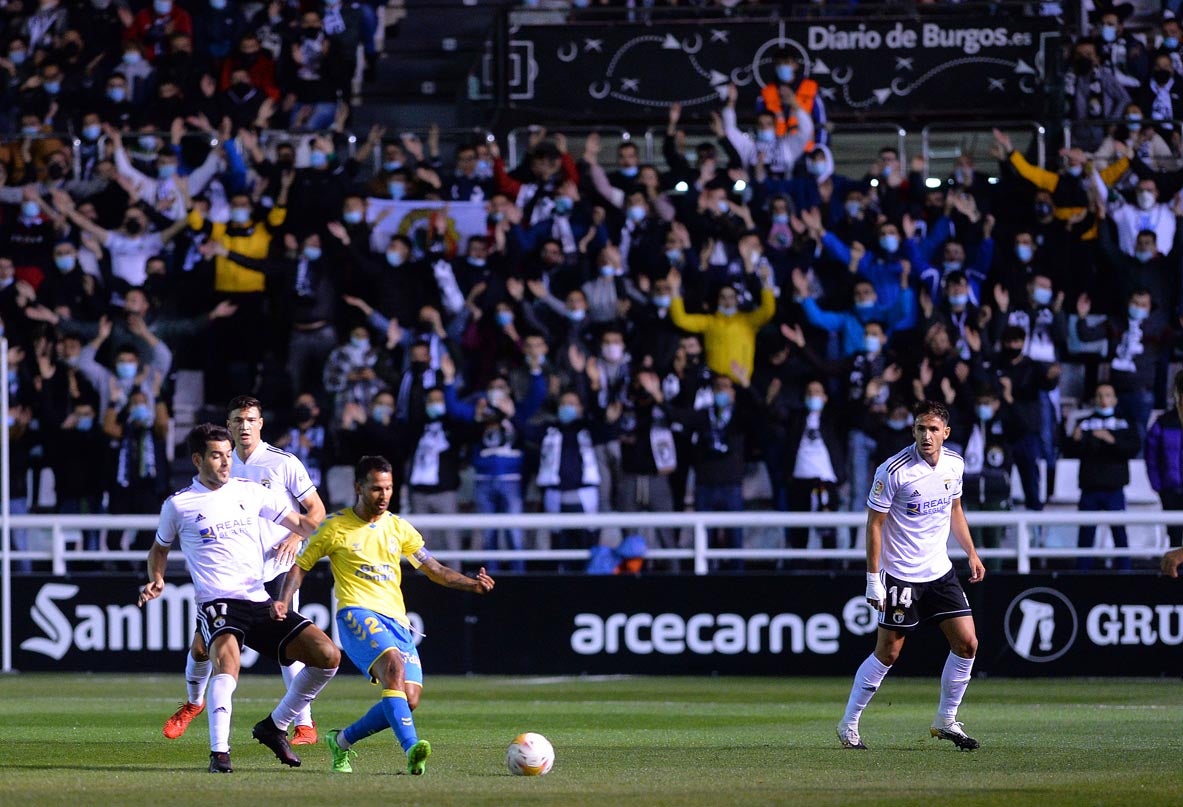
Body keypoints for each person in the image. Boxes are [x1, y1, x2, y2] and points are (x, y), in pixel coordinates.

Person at [138, 424, 341, 774]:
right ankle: (220, 754)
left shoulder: (251, 492)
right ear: (198, 459)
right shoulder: (179, 505)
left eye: (228, 455)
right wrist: (156, 578)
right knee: (226, 662)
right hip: (217, 601)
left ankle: (275, 726)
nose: (225, 463)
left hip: (258, 598)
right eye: (216, 456)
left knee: (327, 656)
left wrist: (323, 529)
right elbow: (159, 549)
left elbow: (302, 524)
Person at [278, 456, 495, 775]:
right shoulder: (335, 527)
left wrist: (472, 585)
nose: (383, 495)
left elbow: (434, 569)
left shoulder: (398, 528)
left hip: (397, 622)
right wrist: (284, 602)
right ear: (358, 488)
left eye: (389, 488)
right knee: (393, 665)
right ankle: (412, 749)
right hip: (356, 612)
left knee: (408, 699)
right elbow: (300, 566)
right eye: (376, 488)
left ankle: (341, 741)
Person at [162, 396, 326, 746]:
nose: (244, 426)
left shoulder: (283, 463)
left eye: (251, 419)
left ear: (261, 423)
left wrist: (297, 536)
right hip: (231, 572)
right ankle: (193, 703)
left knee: (290, 643)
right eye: (238, 420)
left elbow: (315, 511)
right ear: (229, 424)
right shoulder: (221, 461)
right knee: (202, 648)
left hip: (278, 566)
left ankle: (303, 723)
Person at [837, 400, 985, 752]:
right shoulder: (893, 471)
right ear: (913, 431)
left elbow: (955, 509)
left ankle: (946, 719)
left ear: (945, 433)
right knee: (888, 653)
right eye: (921, 428)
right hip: (901, 575)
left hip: (940, 572)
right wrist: (874, 579)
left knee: (967, 643)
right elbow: (874, 525)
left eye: (933, 429)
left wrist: (972, 552)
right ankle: (849, 723)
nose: (927, 435)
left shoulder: (955, 465)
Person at [1062, 384, 1139, 571]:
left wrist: (1111, 439)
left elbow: (1133, 447)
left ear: (1115, 399)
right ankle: (1082, 575)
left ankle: (1125, 573)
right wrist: (1075, 440)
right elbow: (1070, 451)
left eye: (1108, 395)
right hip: (1090, 487)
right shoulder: (1085, 423)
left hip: (1115, 488)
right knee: (1086, 535)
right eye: (1099, 395)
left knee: (1119, 534)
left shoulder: (1124, 423)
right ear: (1094, 399)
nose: (1103, 399)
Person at [1146, 372, 1183, 547]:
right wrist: (1157, 485)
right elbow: (1151, 456)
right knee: (1175, 535)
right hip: (1170, 489)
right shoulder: (1163, 422)